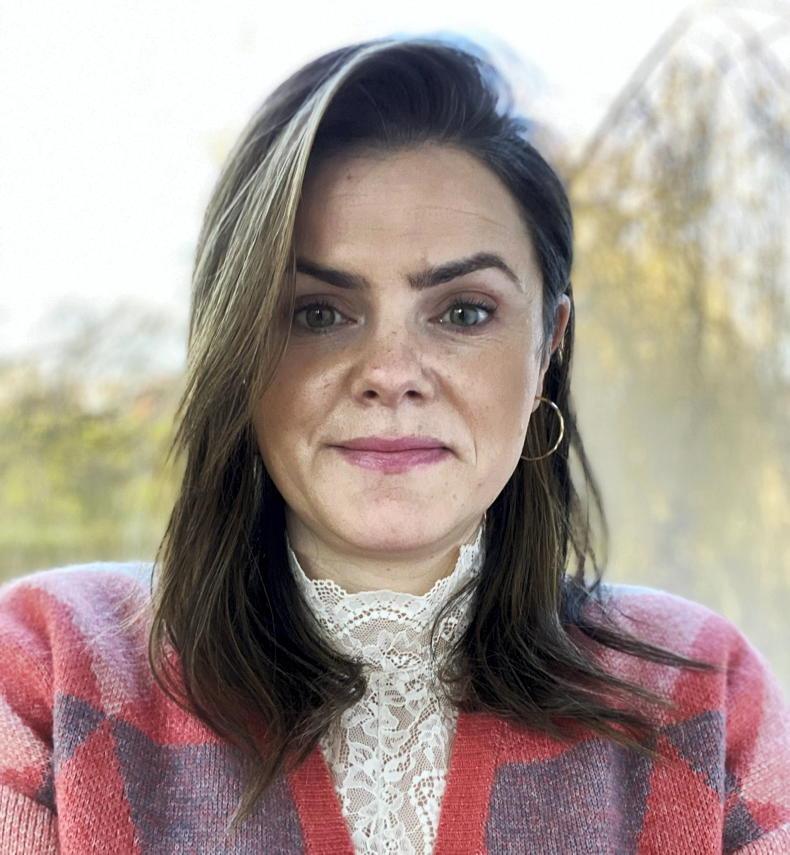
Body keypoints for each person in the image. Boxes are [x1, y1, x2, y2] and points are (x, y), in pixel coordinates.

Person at [1, 33, 788, 855]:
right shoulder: (44, 671)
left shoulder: (702, 694)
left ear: (547, 347)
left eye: (464, 311)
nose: (390, 373)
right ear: (238, 347)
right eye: (318, 312)